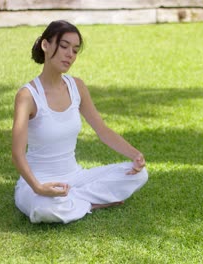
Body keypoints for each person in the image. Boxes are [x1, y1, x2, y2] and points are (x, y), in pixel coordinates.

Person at [11, 20, 148, 224]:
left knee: (139, 175)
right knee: (44, 209)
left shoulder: (77, 87)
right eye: (64, 46)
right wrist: (39, 187)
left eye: (75, 50)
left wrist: (134, 155)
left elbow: (102, 130)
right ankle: (92, 203)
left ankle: (76, 200)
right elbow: (17, 153)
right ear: (45, 45)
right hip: (39, 182)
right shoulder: (28, 96)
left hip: (76, 177)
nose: (70, 55)